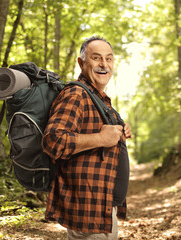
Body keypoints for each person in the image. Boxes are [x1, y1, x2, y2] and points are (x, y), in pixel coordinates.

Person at [42, 36, 132, 240]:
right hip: (88, 209)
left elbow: (96, 131)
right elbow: (53, 140)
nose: (104, 65)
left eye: (109, 59)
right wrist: (100, 138)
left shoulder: (98, 97)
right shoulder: (76, 94)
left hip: (102, 205)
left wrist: (120, 132)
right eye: (97, 58)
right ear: (81, 63)